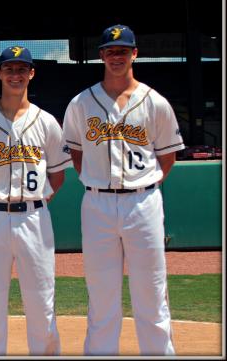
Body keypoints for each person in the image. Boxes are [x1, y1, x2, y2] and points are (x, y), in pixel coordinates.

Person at [62, 24, 184, 355]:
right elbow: (76, 154)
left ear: (135, 53)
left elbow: (167, 157)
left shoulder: (154, 102)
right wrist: (99, 179)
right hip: (97, 203)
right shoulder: (81, 103)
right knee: (101, 297)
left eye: (123, 50)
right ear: (101, 55)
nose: (117, 56)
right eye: (110, 51)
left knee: (151, 294)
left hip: (143, 201)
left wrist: (143, 187)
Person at [0, 46, 71, 355]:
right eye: (10, 69)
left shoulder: (47, 122)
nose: (16, 74)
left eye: (22, 69)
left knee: (42, 304)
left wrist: (36, 201)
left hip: (34, 216)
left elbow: (57, 177)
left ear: (31, 73)